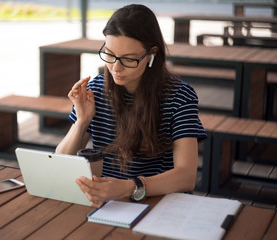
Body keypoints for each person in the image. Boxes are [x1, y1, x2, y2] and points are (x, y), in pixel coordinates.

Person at [56, 4, 207, 208]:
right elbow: (60, 162)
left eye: (128, 59)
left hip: (158, 202)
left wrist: (129, 187)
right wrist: (82, 122)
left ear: (151, 54)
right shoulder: (96, 90)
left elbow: (186, 176)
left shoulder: (179, 96)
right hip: (107, 201)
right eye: (109, 54)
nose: (115, 68)